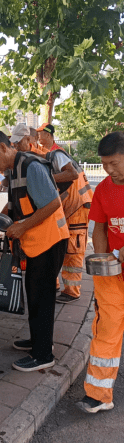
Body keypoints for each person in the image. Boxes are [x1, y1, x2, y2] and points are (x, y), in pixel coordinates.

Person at [0, 129, 69, 372]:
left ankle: (43, 354)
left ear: (4, 147)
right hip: (37, 241)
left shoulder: (30, 166)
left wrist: (23, 227)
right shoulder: (14, 169)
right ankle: (38, 340)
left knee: (42, 296)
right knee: (35, 293)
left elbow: (53, 203)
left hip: (50, 240)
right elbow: (14, 203)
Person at [77, 132, 124, 413]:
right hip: (114, 271)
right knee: (106, 327)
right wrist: (104, 259)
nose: (109, 170)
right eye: (105, 164)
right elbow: (100, 228)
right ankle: (98, 394)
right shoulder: (104, 189)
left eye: (115, 163)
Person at [46, 147, 93, 303]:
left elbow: (71, 175)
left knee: (73, 251)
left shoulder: (56, 157)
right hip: (69, 209)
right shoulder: (52, 159)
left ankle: (72, 291)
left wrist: (47, 177)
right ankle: (57, 285)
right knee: (61, 246)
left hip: (76, 210)